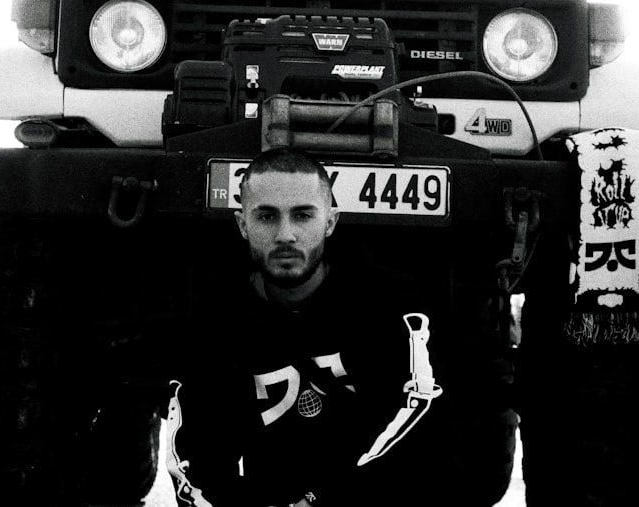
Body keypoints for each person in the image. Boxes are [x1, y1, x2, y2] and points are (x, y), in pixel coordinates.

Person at [166, 147, 443, 507]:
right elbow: (195, 456)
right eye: (266, 216)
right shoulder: (217, 319)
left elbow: (417, 421)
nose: (285, 235)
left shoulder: (387, 301)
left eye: (302, 216)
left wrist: (320, 500)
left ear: (330, 221)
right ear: (242, 224)